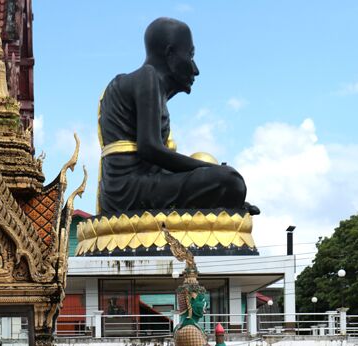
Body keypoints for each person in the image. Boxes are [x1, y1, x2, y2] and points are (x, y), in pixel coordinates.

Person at [98, 17, 253, 214]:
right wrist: (207, 169)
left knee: (226, 182)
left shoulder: (148, 83)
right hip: (129, 189)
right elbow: (149, 149)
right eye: (190, 55)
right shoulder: (147, 76)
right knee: (229, 180)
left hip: (132, 186)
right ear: (170, 53)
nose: (195, 69)